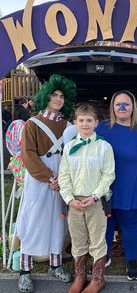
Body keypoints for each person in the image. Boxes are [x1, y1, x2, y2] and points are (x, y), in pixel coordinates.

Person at [16, 74, 77, 293]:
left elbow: (72, 155)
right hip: (40, 180)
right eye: (54, 95)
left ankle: (56, 264)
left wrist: (63, 179)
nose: (58, 99)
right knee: (32, 221)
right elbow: (28, 154)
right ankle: (25, 270)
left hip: (61, 181)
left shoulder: (69, 126)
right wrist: (49, 177)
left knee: (58, 223)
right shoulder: (32, 124)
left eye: (62, 95)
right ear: (46, 96)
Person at [58, 104, 115, 293]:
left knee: (97, 240)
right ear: (75, 123)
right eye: (81, 120)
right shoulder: (69, 148)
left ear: (96, 123)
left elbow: (108, 175)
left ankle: (98, 278)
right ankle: (81, 275)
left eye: (89, 120)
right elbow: (64, 176)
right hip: (74, 202)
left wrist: (94, 196)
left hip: (94, 201)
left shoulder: (104, 147)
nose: (85, 124)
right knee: (78, 239)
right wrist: (68, 199)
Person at [96, 90, 137, 281]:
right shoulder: (101, 128)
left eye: (126, 103)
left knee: (129, 224)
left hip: (131, 185)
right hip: (105, 186)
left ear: (133, 106)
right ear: (113, 107)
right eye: (118, 104)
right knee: (105, 224)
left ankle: (131, 261)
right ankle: (105, 255)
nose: (122, 107)